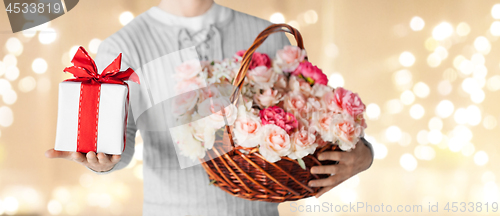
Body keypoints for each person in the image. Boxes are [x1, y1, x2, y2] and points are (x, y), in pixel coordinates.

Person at [45, 0, 374, 215]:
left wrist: (364, 154)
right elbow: (121, 146)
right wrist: (100, 162)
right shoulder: (125, 46)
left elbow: (311, 124)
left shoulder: (268, 37)